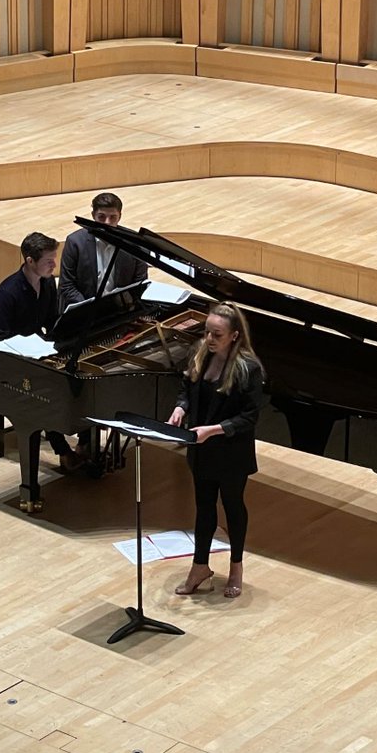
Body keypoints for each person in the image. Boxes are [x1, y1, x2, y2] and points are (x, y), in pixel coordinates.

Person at [166, 301, 265, 599]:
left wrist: (214, 430)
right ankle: (199, 566)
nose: (209, 339)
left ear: (234, 335)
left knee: (233, 507)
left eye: (216, 335)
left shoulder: (249, 369)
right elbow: (187, 387)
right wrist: (180, 407)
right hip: (202, 448)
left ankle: (236, 568)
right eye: (207, 332)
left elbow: (250, 417)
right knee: (204, 509)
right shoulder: (201, 355)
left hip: (231, 452)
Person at [0, 232, 80, 472]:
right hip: (10, 360)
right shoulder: (7, 294)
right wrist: (28, 349)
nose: (54, 265)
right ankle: (62, 449)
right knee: (44, 396)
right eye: (49, 261)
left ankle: (82, 439)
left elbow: (51, 323)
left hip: (37, 353)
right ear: (30, 261)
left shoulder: (48, 283)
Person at [58, 192, 148, 314]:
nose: (107, 222)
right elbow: (67, 285)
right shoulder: (75, 242)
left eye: (113, 217)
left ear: (119, 217)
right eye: (101, 217)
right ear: (93, 215)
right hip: (84, 312)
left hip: (120, 311)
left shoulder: (135, 244)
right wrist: (87, 309)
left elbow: (140, 282)